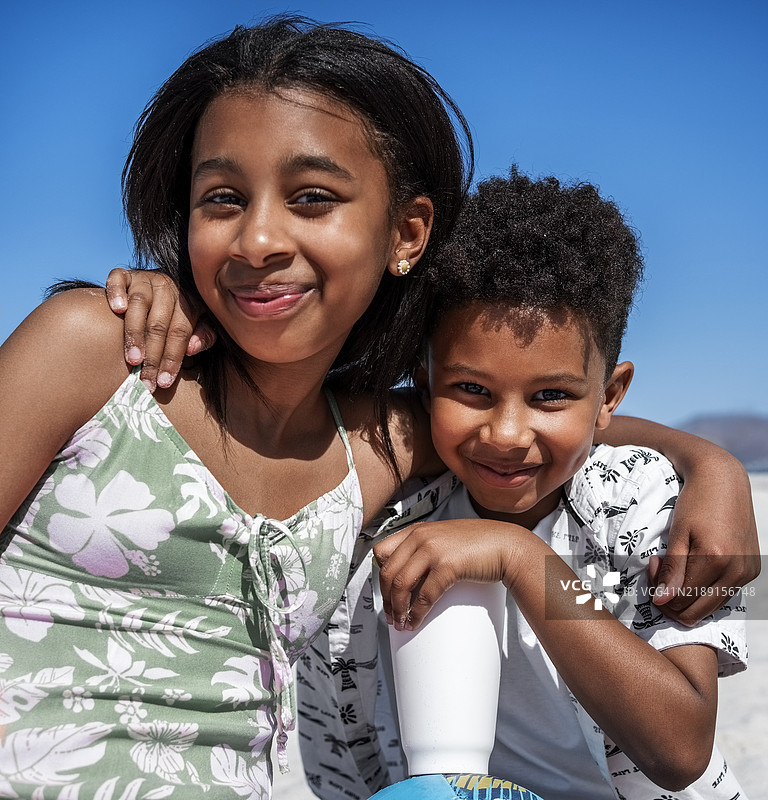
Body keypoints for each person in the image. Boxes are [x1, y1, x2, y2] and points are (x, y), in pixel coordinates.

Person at [0, 15, 475, 797]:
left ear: (407, 233)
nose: (257, 241)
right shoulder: (98, 355)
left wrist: (694, 461)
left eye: (312, 198)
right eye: (222, 199)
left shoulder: (373, 447)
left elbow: (527, 424)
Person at [366, 170, 748, 798]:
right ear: (424, 382)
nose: (506, 434)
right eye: (472, 389)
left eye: (550, 396)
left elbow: (682, 750)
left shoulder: (651, 501)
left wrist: (519, 557)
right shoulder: (405, 503)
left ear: (610, 397)